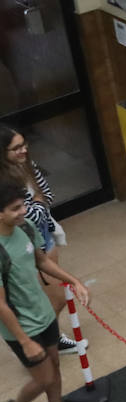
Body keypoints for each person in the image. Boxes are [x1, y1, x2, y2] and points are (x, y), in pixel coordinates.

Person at [0, 181, 91, 402]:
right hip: (20, 327)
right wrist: (25, 342)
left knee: (55, 367)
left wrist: (74, 281)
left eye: (23, 205)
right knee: (43, 378)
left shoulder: (25, 229)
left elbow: (41, 261)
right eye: (15, 208)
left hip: (43, 314)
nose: (22, 212)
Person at [0, 125, 79, 354]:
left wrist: (36, 202)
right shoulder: (6, 185)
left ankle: (49, 340)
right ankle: (46, 342)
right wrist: (36, 202)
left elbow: (47, 195)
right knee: (55, 298)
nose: (24, 151)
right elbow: (29, 215)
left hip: (45, 236)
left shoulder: (28, 167)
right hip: (28, 243)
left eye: (24, 145)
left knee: (53, 296)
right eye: (16, 148)